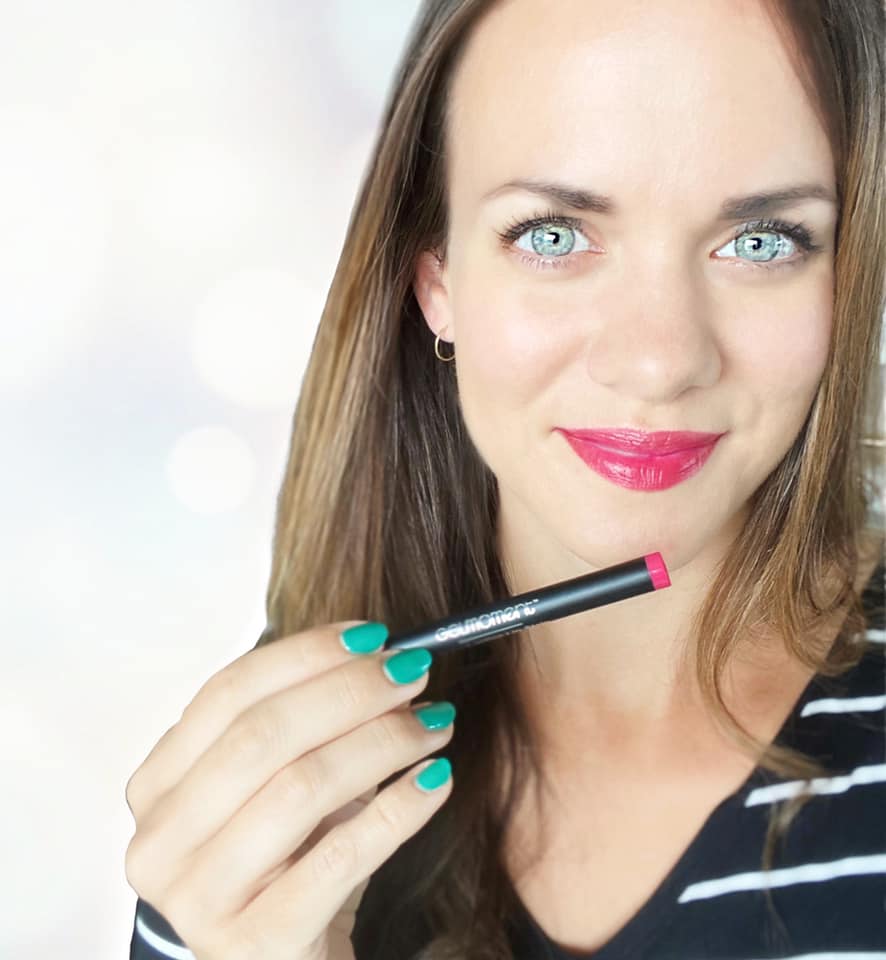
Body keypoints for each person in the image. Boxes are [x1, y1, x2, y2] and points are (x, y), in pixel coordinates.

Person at [125, 1, 886, 958]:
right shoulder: (266, 801)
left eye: (763, 240)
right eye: (553, 235)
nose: (659, 363)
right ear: (436, 281)